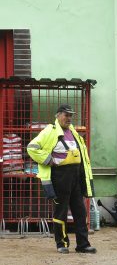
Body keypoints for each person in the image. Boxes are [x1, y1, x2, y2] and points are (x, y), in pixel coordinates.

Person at [27, 104, 96, 254]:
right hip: (60, 177)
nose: (69, 118)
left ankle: (83, 245)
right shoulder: (49, 131)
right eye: (66, 115)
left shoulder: (73, 132)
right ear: (58, 115)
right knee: (61, 212)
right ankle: (61, 244)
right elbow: (31, 147)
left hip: (75, 177)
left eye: (71, 115)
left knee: (80, 212)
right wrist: (47, 159)